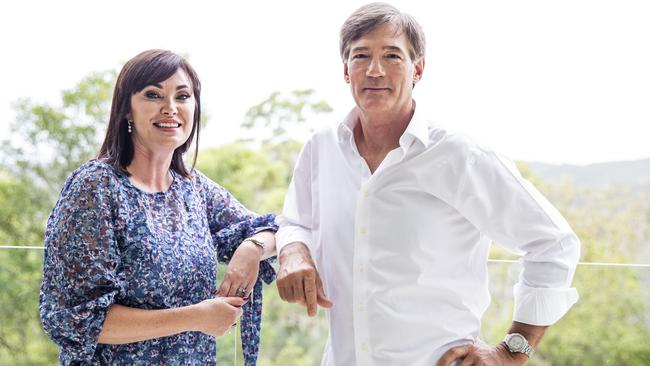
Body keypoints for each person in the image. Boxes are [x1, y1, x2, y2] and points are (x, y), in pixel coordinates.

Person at [275, 3, 580, 366]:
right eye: (361, 56)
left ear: (417, 68)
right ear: (345, 70)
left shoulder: (459, 155)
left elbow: (554, 243)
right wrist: (292, 250)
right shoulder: (321, 149)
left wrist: (512, 351)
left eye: (392, 56)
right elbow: (295, 221)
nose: (374, 70)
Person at [39, 49, 276, 365]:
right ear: (127, 110)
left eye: (182, 96)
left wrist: (252, 248)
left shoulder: (193, 188)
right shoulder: (96, 187)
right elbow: (72, 319)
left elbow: (276, 228)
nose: (170, 108)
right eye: (153, 95)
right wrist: (196, 317)